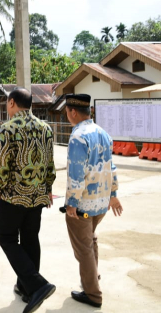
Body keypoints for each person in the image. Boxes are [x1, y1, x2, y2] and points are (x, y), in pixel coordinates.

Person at [0, 87, 57, 313]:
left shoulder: (7, 129)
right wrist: (48, 188)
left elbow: (2, 165)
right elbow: (50, 163)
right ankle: (26, 288)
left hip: (12, 197)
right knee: (30, 239)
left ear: (12, 103)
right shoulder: (46, 128)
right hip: (38, 195)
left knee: (7, 238)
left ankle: (37, 284)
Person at [64, 93, 123, 309]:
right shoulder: (103, 133)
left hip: (83, 205)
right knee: (91, 240)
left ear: (72, 111)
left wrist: (71, 202)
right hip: (101, 204)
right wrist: (114, 195)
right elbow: (111, 167)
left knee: (83, 248)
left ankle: (93, 294)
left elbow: (76, 174)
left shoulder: (78, 136)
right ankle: (92, 278)